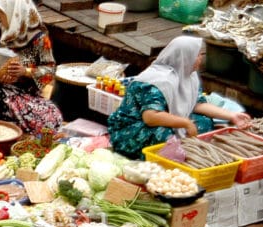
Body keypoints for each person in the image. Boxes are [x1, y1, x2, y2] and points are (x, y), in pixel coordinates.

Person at [108, 36, 252, 159]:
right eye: (197, 55)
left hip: (169, 119)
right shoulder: (155, 81)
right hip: (134, 128)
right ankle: (172, 156)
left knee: (205, 122)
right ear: (184, 57)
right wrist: (186, 123)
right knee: (163, 135)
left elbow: (198, 104)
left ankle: (183, 149)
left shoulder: (188, 75)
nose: (201, 58)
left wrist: (232, 116)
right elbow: (150, 117)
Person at [0, 0, 63, 134]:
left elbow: (50, 71)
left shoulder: (38, 39)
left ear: (15, 14)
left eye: (2, 12)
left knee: (51, 118)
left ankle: (9, 125)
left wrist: (26, 72)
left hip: (27, 96)